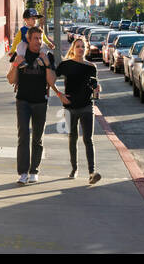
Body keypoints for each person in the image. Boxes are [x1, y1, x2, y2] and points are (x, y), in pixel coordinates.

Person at [7, 25, 62, 184]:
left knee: (37, 138)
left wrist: (46, 64)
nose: (39, 42)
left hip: (40, 102)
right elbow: (11, 80)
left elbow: (51, 82)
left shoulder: (47, 56)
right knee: (23, 136)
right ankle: (23, 173)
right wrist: (16, 65)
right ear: (29, 40)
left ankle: (34, 171)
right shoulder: (20, 54)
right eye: (36, 38)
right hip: (22, 101)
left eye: (40, 38)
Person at [56, 36, 102, 185]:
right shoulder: (66, 65)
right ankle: (74, 169)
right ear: (73, 49)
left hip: (87, 107)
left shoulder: (91, 67)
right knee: (72, 138)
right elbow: (51, 76)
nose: (80, 49)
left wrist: (97, 89)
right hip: (70, 107)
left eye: (83, 46)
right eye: (78, 46)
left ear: (86, 49)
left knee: (88, 139)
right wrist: (59, 94)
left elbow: (95, 88)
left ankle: (91, 172)